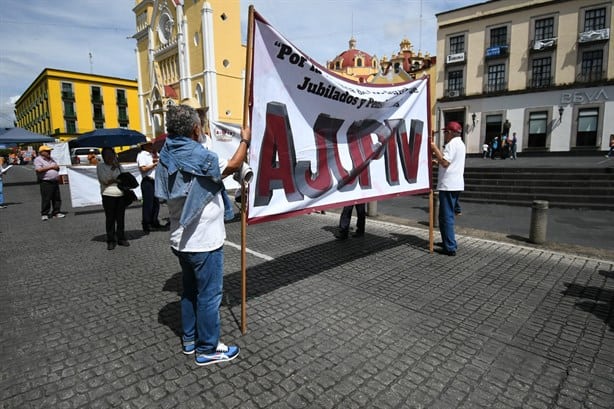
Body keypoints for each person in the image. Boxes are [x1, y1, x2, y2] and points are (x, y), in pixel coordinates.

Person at [155, 104, 251, 366]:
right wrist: (245, 139)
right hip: (203, 240)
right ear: (195, 129)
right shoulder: (198, 155)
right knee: (209, 295)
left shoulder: (167, 151)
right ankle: (208, 348)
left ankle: (189, 339)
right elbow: (232, 165)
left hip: (180, 239)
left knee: (189, 290)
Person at [430, 121, 466, 256]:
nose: (444, 135)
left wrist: (434, 148)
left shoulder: (451, 144)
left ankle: (449, 247)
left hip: (448, 185)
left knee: (446, 217)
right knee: (447, 216)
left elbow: (445, 162)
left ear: (450, 132)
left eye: (445, 132)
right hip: (456, 184)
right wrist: (437, 161)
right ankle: (448, 242)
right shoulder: (461, 144)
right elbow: (449, 162)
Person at [97, 147, 130, 250]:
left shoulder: (119, 166)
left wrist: (116, 178)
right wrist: (113, 171)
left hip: (120, 194)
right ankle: (110, 239)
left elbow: (124, 178)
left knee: (120, 218)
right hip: (108, 195)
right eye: (107, 155)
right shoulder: (100, 166)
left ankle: (121, 238)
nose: (110, 157)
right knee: (110, 218)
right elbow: (105, 180)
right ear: (103, 157)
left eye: (111, 155)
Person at [33, 145, 66, 221]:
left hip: (54, 181)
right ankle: (44, 213)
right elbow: (38, 170)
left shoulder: (51, 159)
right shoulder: (38, 160)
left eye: (49, 151)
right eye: (47, 151)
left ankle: (56, 212)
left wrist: (56, 168)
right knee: (46, 198)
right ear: (42, 152)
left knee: (57, 198)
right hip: (46, 181)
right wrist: (51, 167)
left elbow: (57, 167)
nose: (49, 152)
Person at [136, 141, 163, 233]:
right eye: (150, 144)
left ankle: (154, 221)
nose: (152, 146)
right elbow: (143, 169)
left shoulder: (154, 154)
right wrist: (154, 164)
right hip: (148, 180)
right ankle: (146, 223)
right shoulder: (142, 155)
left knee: (156, 203)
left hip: (155, 181)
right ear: (145, 146)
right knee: (148, 204)